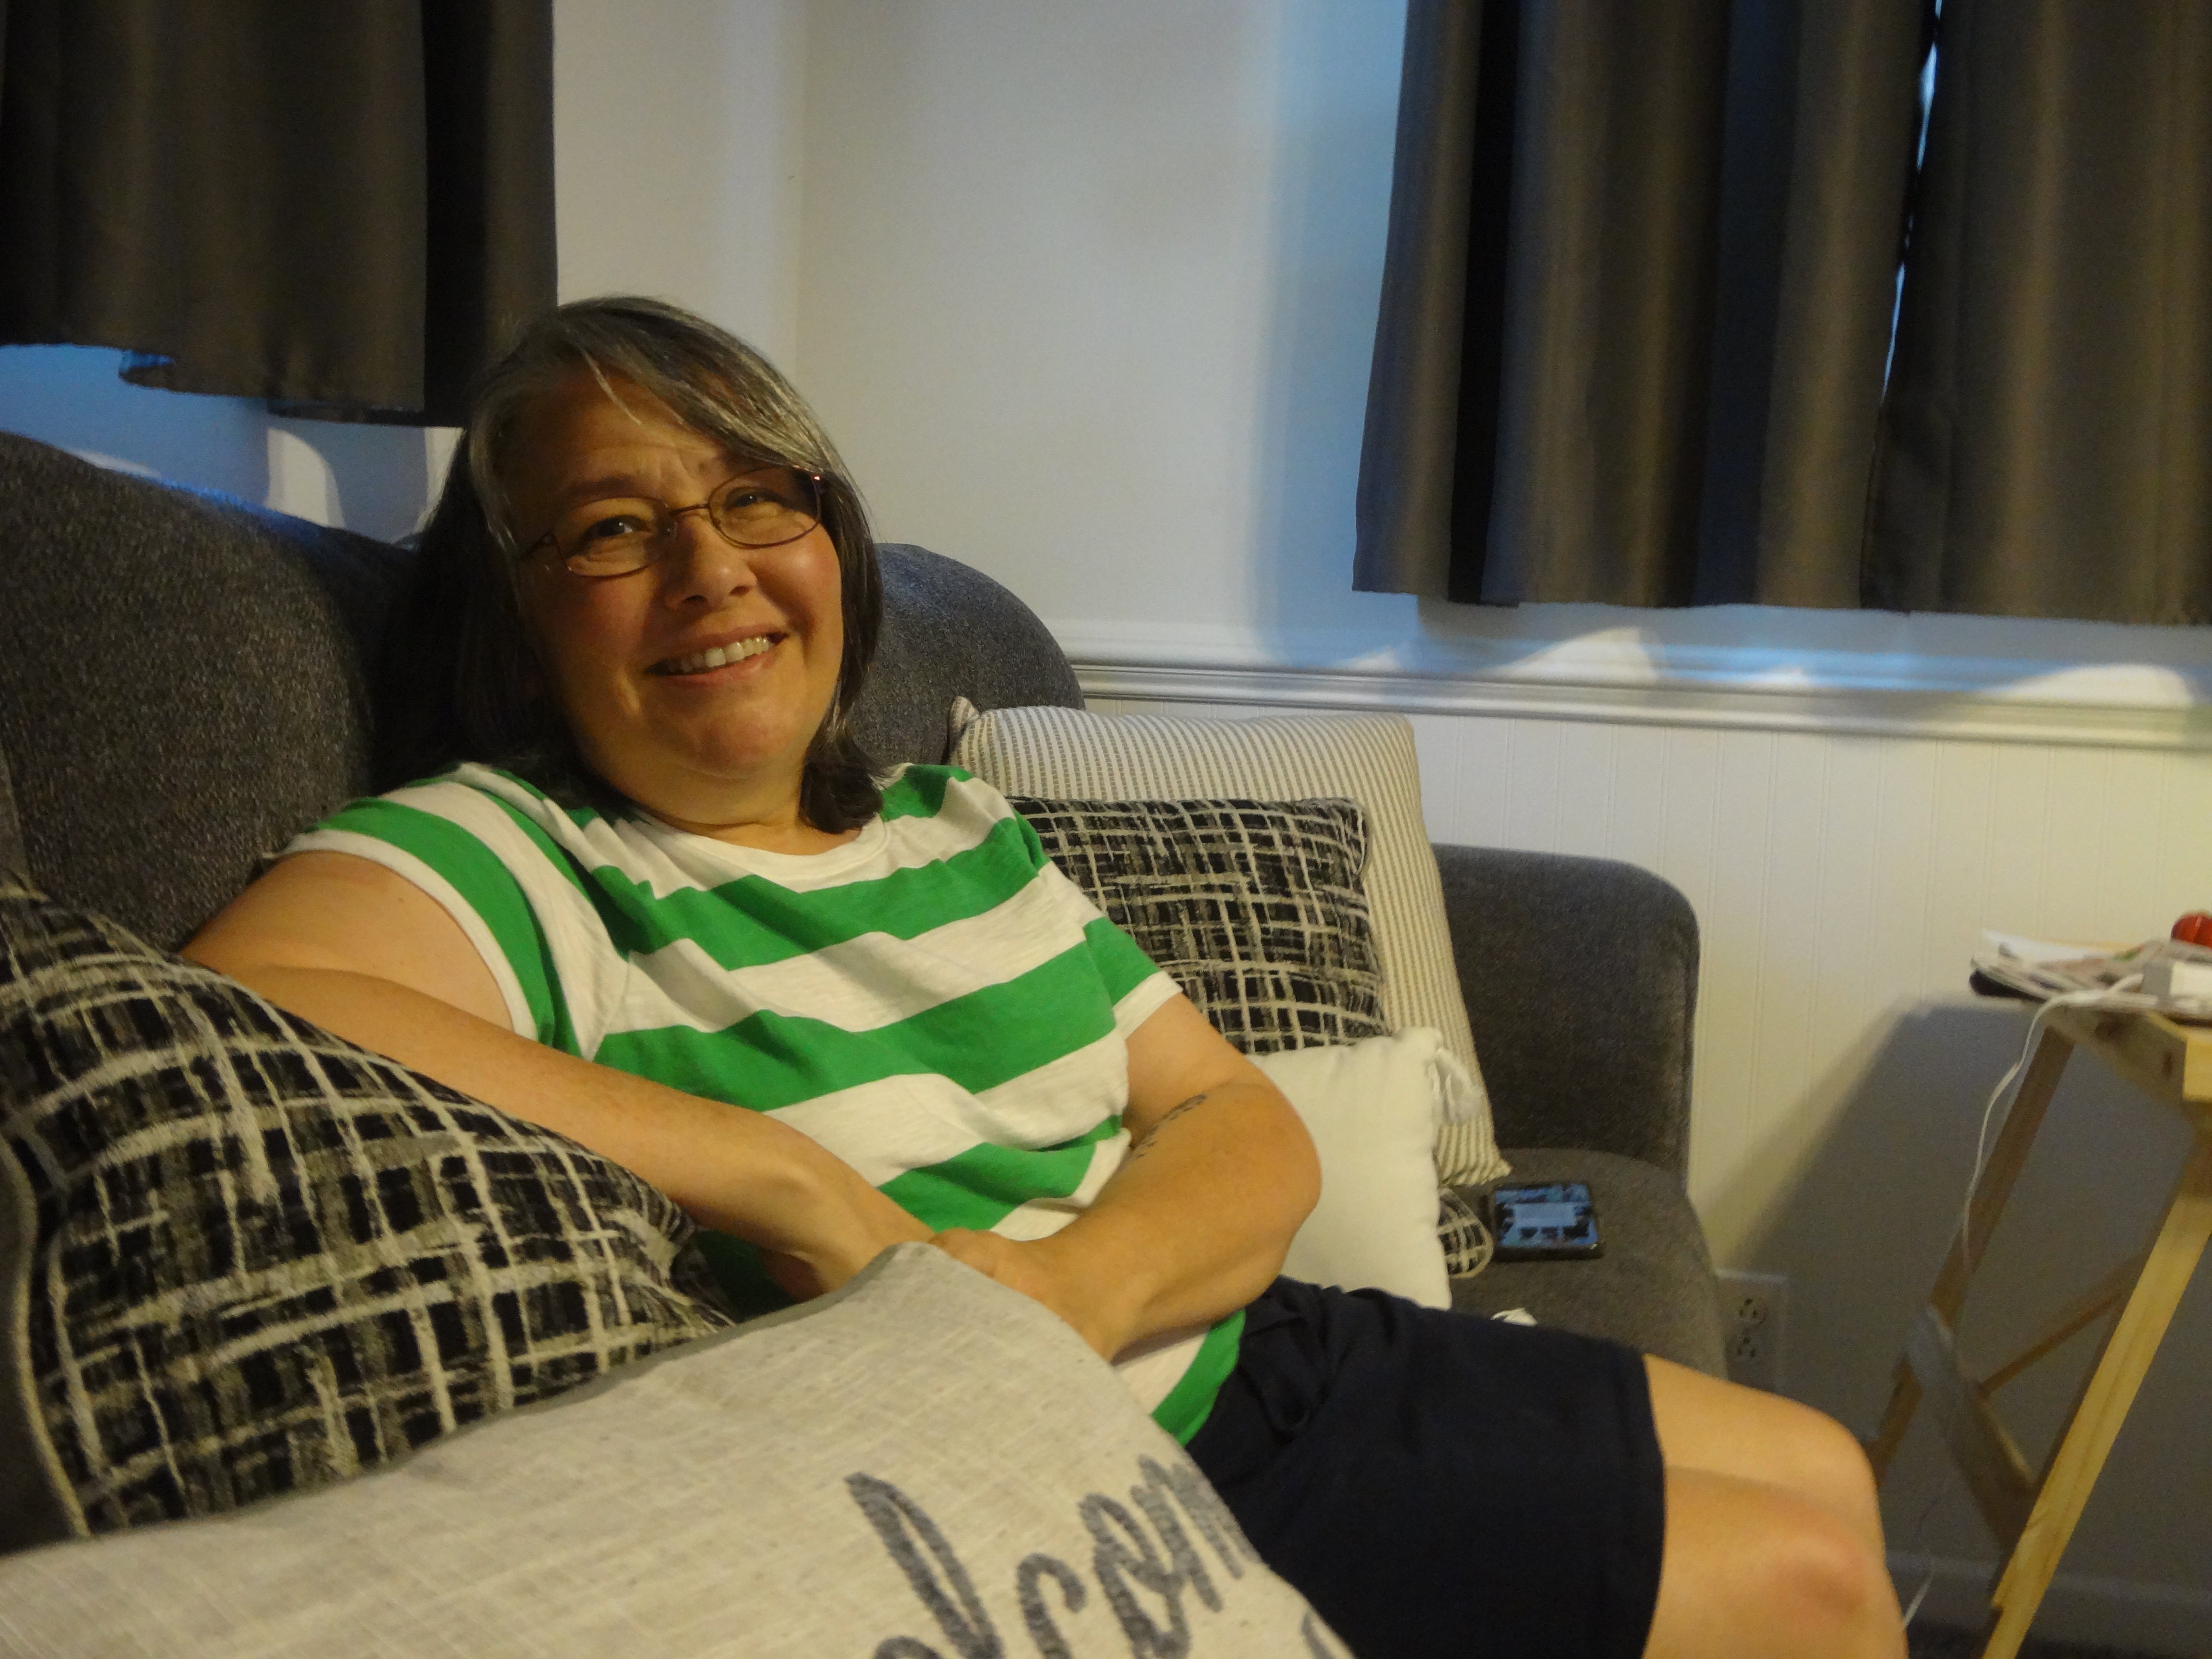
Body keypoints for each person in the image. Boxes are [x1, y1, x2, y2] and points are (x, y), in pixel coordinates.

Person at [184, 296, 1904, 1659]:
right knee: (1810, 1582)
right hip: (1144, 1469)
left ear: (829, 544)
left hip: (1251, 1343)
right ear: (517, 609)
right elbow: (263, 987)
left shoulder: (955, 831)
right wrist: (787, 1177)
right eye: (613, 533)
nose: (710, 569)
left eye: (751, 501)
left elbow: (1236, 1118)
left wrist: (1067, 1296)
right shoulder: (526, 847)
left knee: (1824, 1463)